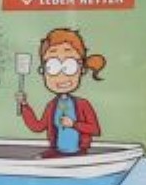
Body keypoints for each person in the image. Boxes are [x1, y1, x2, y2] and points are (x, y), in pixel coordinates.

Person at [16, 28, 104, 157]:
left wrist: (73, 124)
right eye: (53, 67)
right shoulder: (52, 105)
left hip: (79, 154)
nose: (61, 75)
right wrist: (24, 105)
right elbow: (37, 126)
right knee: (36, 159)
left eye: (70, 66)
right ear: (43, 71)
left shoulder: (83, 104)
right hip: (56, 152)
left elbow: (95, 130)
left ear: (81, 69)